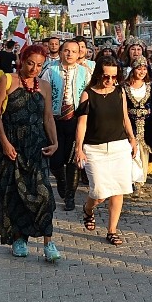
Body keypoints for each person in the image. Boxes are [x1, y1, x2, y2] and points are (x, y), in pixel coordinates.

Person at [0, 44, 62, 263]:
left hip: (36, 145)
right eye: (30, 63)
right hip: (12, 145)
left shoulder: (44, 86)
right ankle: (19, 239)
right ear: (22, 60)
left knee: (44, 194)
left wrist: (55, 142)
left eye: (39, 65)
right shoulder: (8, 80)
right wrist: (5, 142)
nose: (34, 69)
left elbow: (48, 117)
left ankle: (48, 243)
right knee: (14, 194)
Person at [75, 59, 137, 245]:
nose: (110, 80)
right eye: (106, 76)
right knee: (99, 192)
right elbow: (82, 124)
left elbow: (125, 117)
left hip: (119, 146)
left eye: (114, 77)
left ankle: (112, 230)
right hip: (94, 149)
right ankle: (88, 209)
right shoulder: (88, 94)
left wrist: (132, 138)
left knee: (119, 189)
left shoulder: (120, 92)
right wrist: (79, 148)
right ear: (98, 75)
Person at [40, 40, 93, 211]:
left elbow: (91, 95)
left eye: (73, 51)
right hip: (54, 120)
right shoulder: (50, 70)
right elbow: (41, 92)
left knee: (73, 160)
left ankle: (70, 196)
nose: (69, 54)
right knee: (55, 161)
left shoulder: (85, 72)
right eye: (66, 50)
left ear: (79, 54)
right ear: (61, 52)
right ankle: (61, 180)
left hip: (76, 120)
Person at [124, 56, 152, 181]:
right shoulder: (124, 87)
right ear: (133, 69)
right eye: (139, 69)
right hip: (130, 123)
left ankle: (139, 180)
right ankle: (131, 179)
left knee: (144, 152)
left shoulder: (149, 86)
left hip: (147, 125)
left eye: (144, 69)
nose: (142, 72)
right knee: (131, 151)